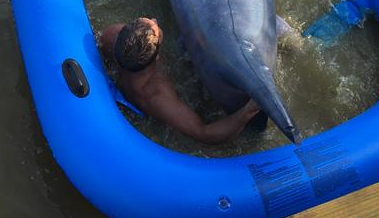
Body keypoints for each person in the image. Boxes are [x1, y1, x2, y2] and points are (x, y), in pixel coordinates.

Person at [99, 18, 261, 144]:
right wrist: (247, 111)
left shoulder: (113, 39)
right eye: (155, 28)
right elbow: (203, 133)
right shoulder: (156, 95)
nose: (155, 19)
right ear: (157, 56)